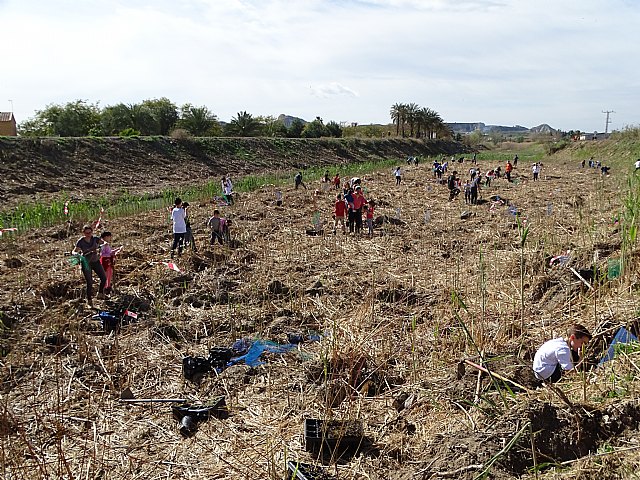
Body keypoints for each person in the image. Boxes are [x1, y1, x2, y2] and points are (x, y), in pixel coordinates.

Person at [73, 225, 107, 307]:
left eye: (90, 232)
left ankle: (100, 293)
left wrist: (101, 247)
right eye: (86, 233)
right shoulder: (81, 241)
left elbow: (104, 243)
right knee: (89, 282)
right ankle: (89, 300)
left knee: (104, 278)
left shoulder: (95, 239)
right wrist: (77, 254)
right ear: (83, 233)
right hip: (86, 263)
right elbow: (74, 251)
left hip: (95, 261)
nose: (88, 234)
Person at [99, 231, 117, 295]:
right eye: (109, 236)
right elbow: (102, 253)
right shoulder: (103, 244)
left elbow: (109, 252)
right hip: (105, 261)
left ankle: (108, 286)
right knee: (105, 275)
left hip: (109, 261)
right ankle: (104, 288)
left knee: (109, 274)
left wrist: (116, 250)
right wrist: (111, 254)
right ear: (106, 237)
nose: (110, 238)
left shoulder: (107, 244)